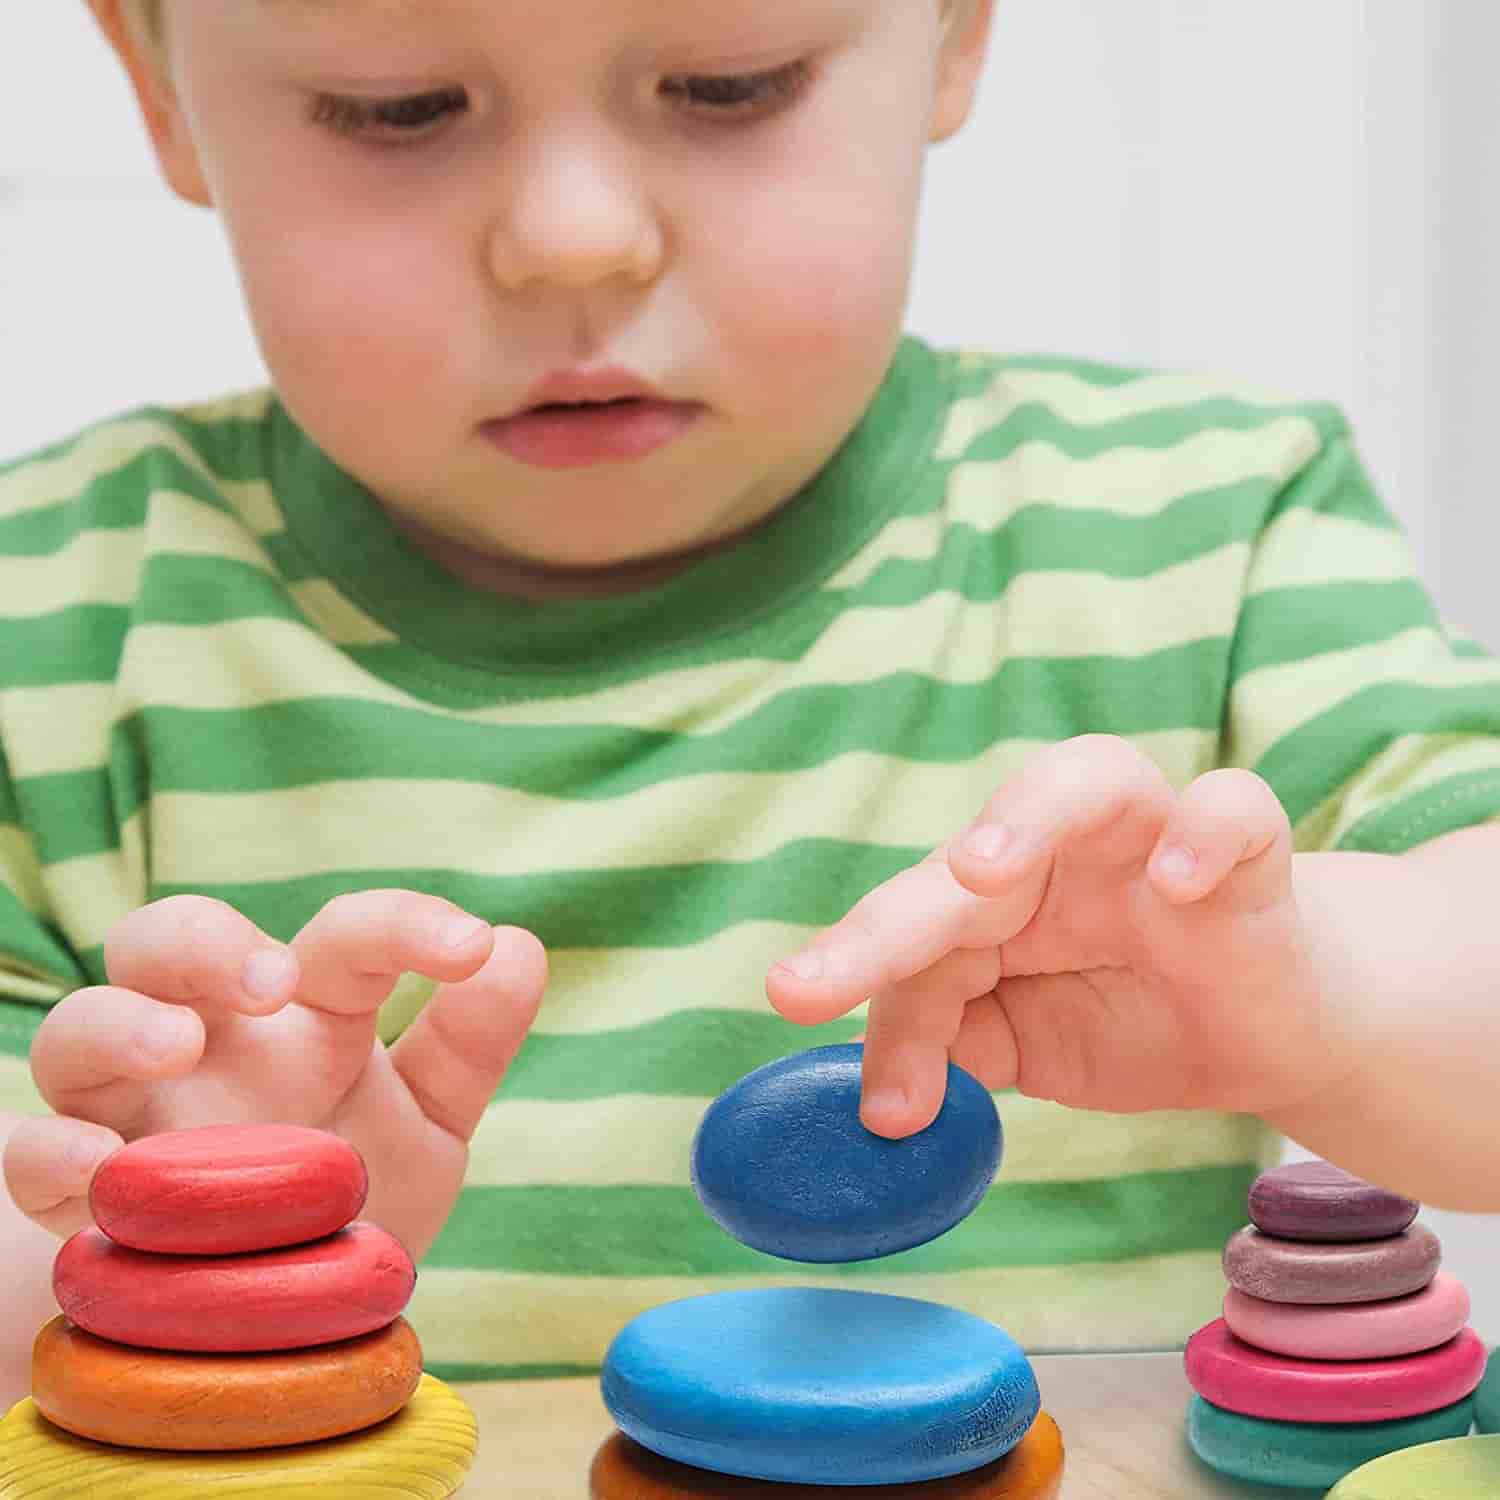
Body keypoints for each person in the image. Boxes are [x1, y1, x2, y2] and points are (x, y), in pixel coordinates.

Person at [1, 0, 1498, 1413]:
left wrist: (1328, 997)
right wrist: (181, 1245)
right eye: (393, 107)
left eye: (731, 83)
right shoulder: (49, 606)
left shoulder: (1202, 521)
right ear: (155, 80)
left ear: (952, 31)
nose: (571, 242)